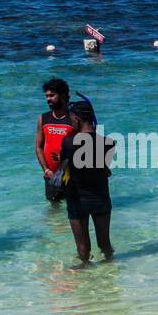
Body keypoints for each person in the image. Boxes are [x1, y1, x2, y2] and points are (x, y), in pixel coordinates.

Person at [59, 95, 115, 263]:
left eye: (71, 119)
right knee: (105, 244)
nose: (71, 123)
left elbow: (63, 168)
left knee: (83, 249)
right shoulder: (108, 143)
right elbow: (104, 169)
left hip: (76, 199)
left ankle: (86, 278)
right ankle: (111, 269)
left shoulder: (68, 142)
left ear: (77, 118)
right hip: (100, 198)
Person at [36, 78, 82, 203]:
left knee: (75, 210)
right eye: (46, 96)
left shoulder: (74, 118)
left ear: (62, 96)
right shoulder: (43, 118)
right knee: (54, 211)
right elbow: (38, 147)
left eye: (52, 95)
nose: (48, 99)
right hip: (50, 175)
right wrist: (46, 169)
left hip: (72, 175)